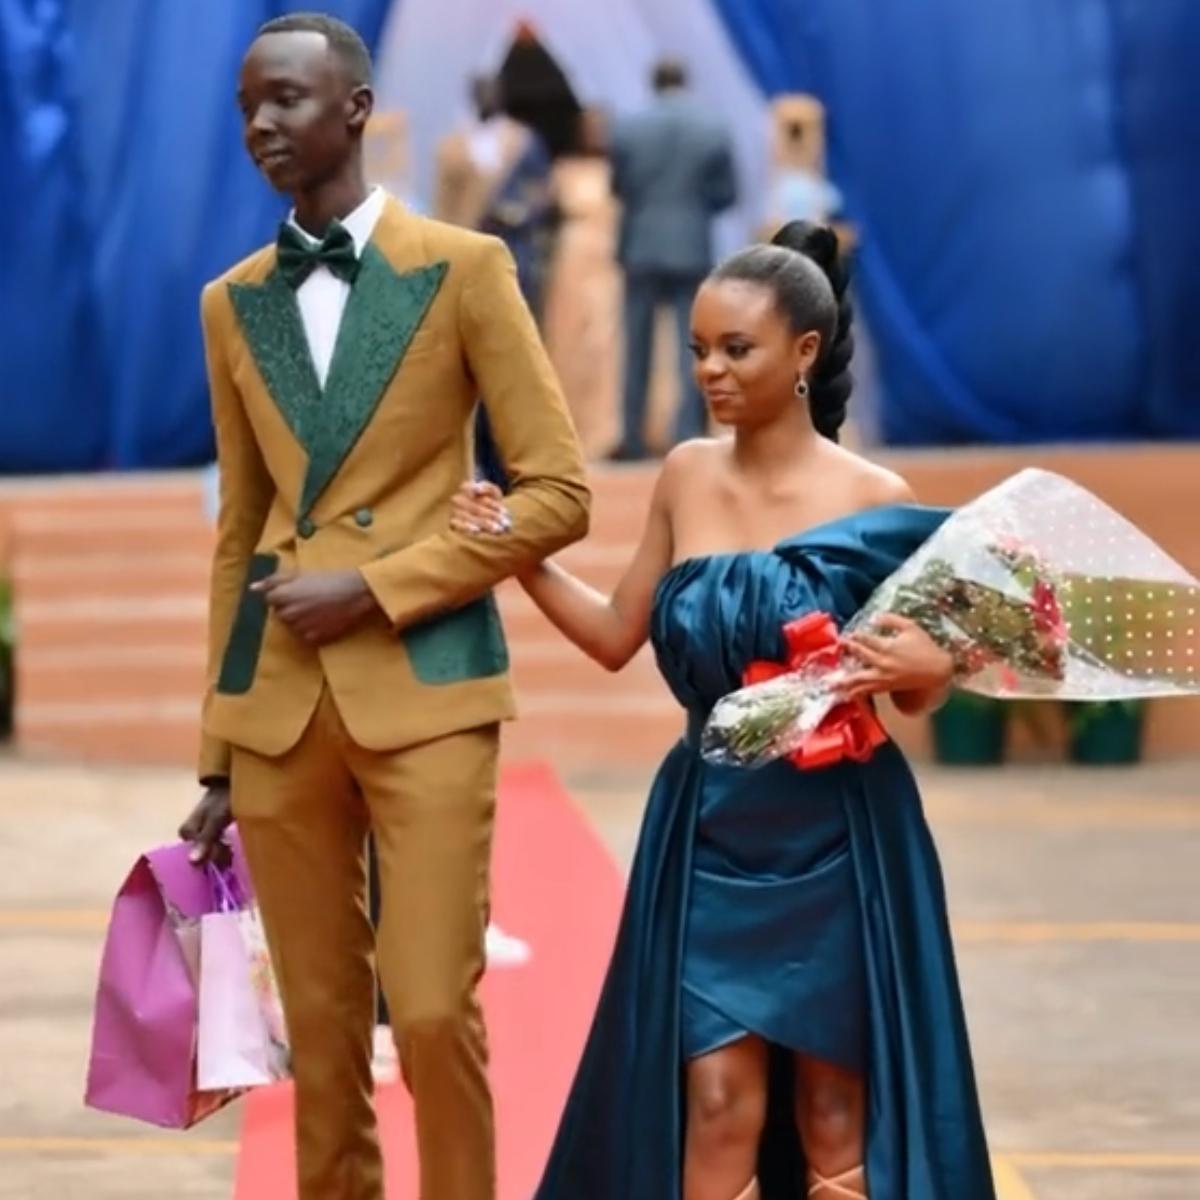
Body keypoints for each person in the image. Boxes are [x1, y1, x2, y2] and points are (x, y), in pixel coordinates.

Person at [450, 222, 995, 1198]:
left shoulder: (877, 497)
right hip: (708, 828)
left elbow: (913, 688)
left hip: (841, 834)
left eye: (734, 348)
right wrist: (515, 551)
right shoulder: (685, 474)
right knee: (715, 1100)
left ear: (805, 353)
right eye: (699, 348)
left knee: (834, 1109)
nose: (709, 368)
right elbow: (618, 633)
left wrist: (926, 662)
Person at [178, 14, 589, 1200]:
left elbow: (558, 494)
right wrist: (216, 750)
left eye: (289, 101)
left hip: (428, 685)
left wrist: (379, 587)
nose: (262, 123)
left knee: (429, 1010)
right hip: (279, 718)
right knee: (316, 1030)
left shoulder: (465, 267)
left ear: (355, 109)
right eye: (250, 104)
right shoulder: (230, 302)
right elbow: (238, 536)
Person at [609, 59, 738, 461]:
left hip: (641, 245)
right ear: (685, 81)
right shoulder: (712, 126)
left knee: (636, 346)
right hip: (690, 246)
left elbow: (618, 187)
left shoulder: (629, 127)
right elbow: (727, 195)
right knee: (696, 346)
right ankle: (687, 435)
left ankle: (632, 436)